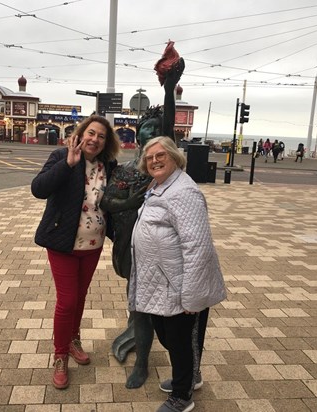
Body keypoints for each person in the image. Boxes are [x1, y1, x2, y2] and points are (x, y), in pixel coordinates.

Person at [100, 50, 184, 389]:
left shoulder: (164, 169)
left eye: (157, 131)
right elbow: (105, 200)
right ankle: (136, 331)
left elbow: (168, 127)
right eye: (146, 129)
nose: (151, 135)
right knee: (137, 303)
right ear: (137, 135)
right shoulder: (123, 170)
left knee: (147, 308)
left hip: (154, 252)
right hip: (126, 248)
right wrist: (128, 204)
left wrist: (168, 88)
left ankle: (143, 364)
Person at [129, 136, 226, 412]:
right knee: (169, 337)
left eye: (161, 155)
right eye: (149, 158)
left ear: (175, 157)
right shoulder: (160, 186)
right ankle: (190, 376)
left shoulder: (183, 191)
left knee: (181, 341)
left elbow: (198, 247)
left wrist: (192, 298)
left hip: (180, 284)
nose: (155, 161)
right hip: (162, 281)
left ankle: (182, 396)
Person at [31, 115, 120, 389]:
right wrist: (67, 165)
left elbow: (112, 204)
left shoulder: (109, 166)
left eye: (101, 136)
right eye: (91, 133)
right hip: (63, 243)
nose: (94, 139)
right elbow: (39, 189)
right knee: (67, 301)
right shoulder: (62, 155)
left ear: (107, 142)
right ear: (82, 133)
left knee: (80, 298)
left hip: (92, 245)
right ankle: (60, 355)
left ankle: (73, 340)